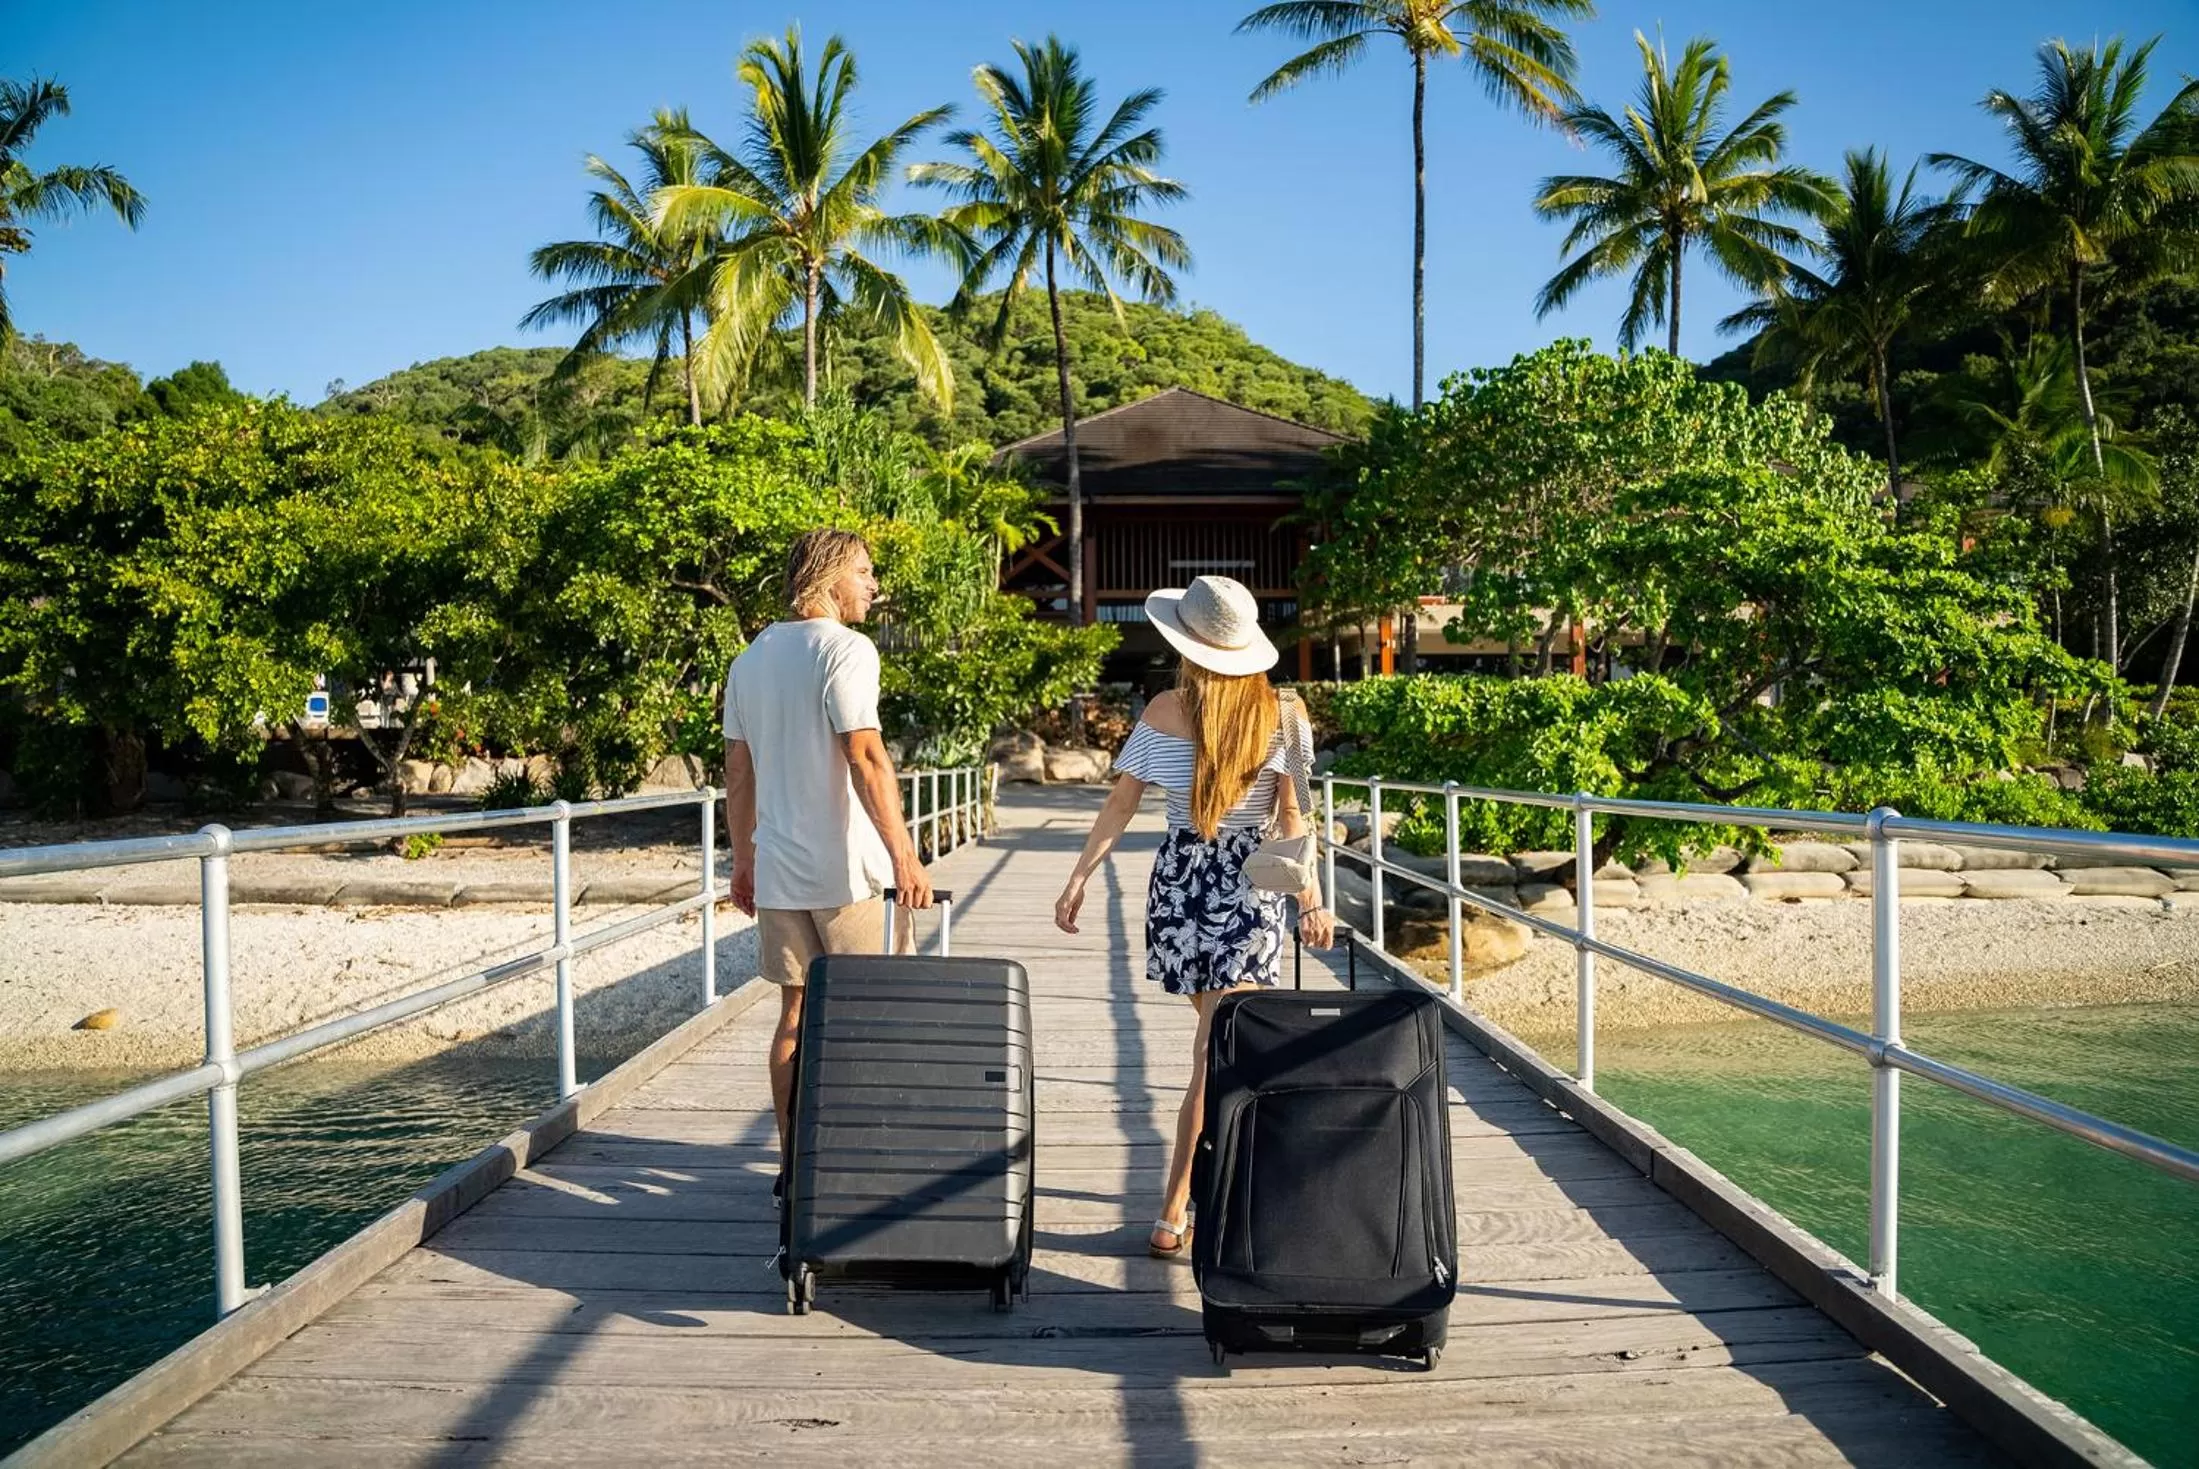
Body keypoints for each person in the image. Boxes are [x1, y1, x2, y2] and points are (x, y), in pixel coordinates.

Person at [1051, 575, 1333, 1260]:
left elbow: (1121, 805)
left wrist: (1080, 876)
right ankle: (1179, 1207)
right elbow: (1292, 819)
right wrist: (1311, 899)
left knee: (1218, 1047)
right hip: (1247, 890)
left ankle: (1197, 1201)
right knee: (1217, 1054)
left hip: (1179, 884)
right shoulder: (1284, 714)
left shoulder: (1160, 710)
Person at [722, 529, 934, 1202]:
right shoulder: (846, 649)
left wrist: (744, 859)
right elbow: (865, 755)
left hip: (782, 868)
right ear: (829, 576)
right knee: (867, 1018)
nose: (874, 585)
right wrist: (906, 854)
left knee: (795, 1015)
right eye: (865, 571)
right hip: (848, 874)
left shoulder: (749, 659)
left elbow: (737, 769)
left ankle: (795, 1165)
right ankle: (859, 1166)